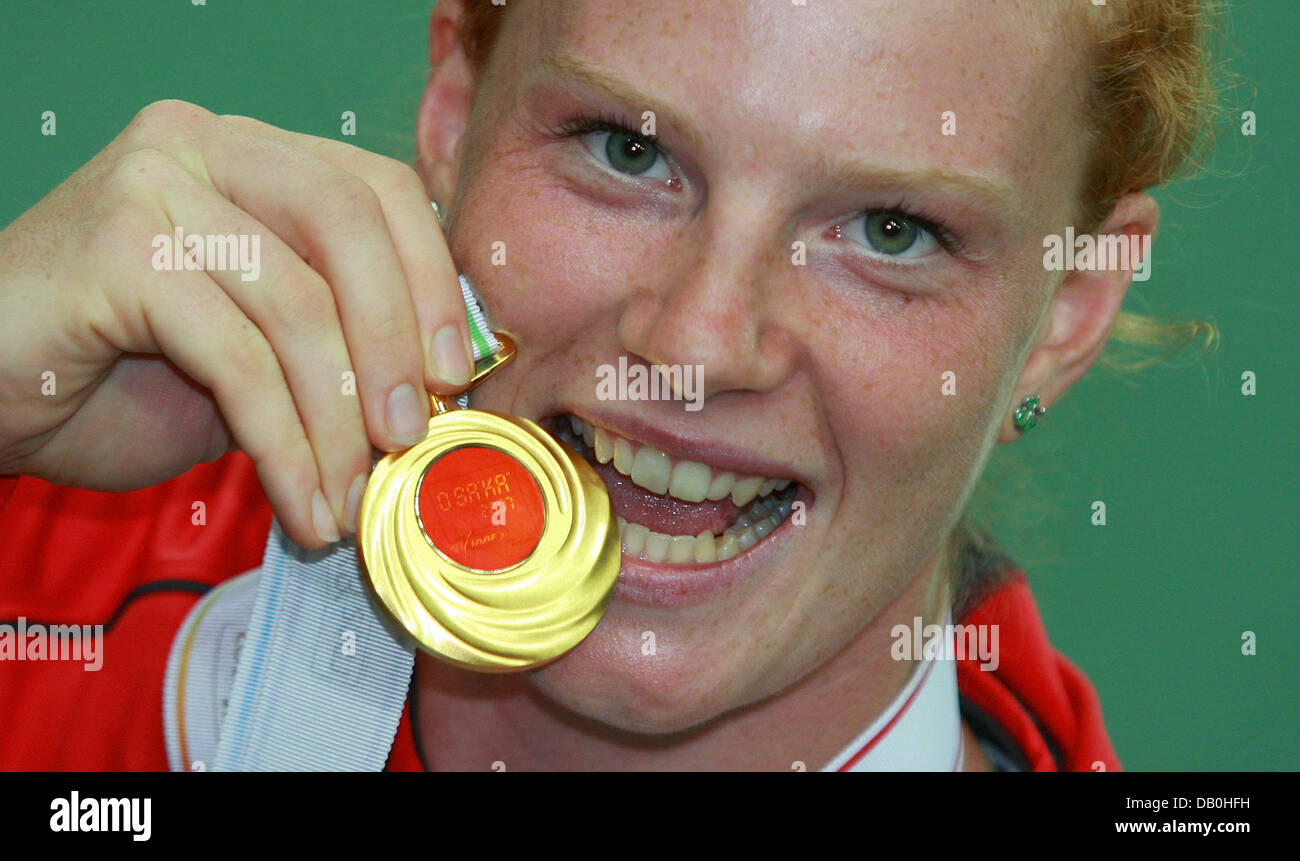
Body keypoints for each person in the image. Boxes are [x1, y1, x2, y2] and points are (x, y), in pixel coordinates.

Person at [0, 0, 1220, 770]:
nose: (699, 339)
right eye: (626, 152)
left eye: (891, 232)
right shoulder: (48, 558)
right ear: (455, 110)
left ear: (1067, 307)